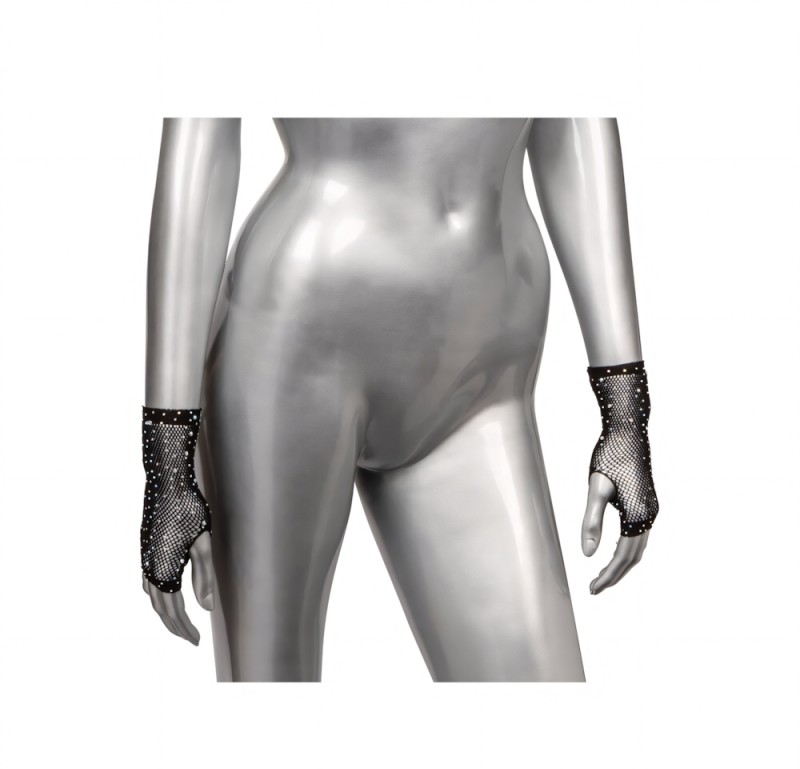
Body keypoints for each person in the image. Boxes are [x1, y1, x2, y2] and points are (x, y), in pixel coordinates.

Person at [140, 118, 659, 681]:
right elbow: (201, 139)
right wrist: (168, 458)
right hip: (300, 336)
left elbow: (576, 121)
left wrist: (625, 410)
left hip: (484, 366)